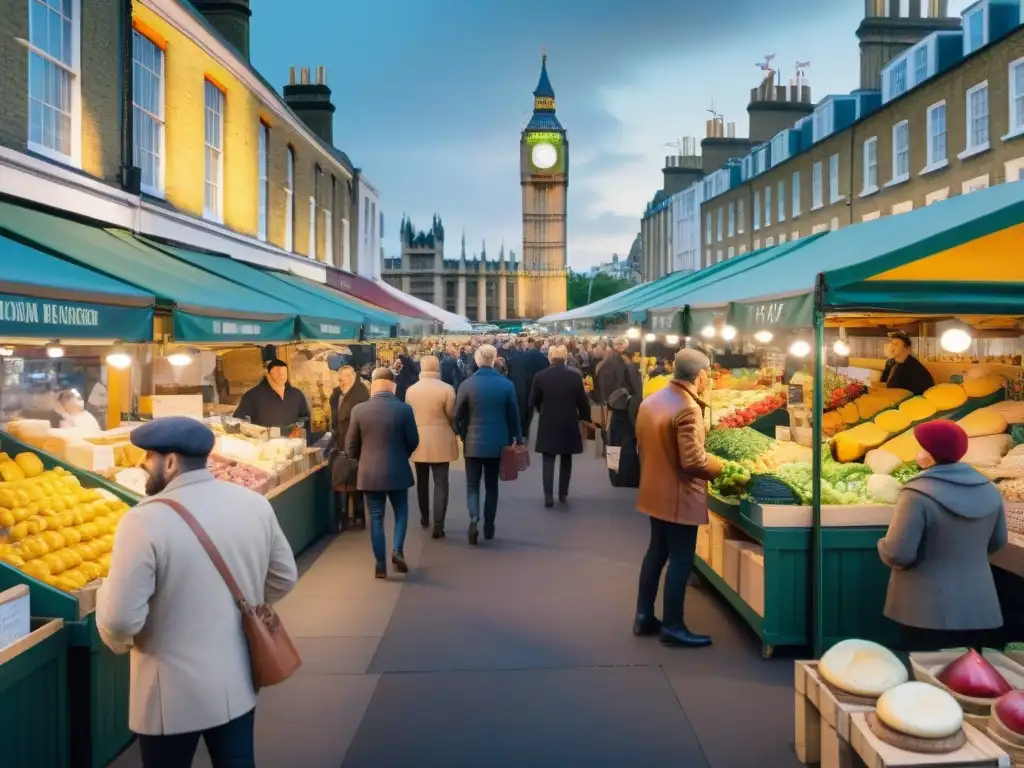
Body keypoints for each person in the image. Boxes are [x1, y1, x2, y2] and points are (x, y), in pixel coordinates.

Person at [96, 416, 297, 766]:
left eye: (148, 457)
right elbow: (283, 576)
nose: (143, 465)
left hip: (169, 693)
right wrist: (244, 604)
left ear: (170, 462)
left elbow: (119, 620)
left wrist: (117, 638)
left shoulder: (143, 520)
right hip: (238, 678)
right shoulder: (252, 504)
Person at [878, 419, 1008, 650]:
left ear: (932, 453)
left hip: (923, 608)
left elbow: (899, 553)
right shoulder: (990, 490)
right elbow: (998, 542)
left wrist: (882, 545)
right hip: (979, 606)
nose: (919, 453)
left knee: (926, 676)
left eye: (922, 447)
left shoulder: (917, 493)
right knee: (970, 679)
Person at [634, 349, 723, 648]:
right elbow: (693, 461)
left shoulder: (653, 400)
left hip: (653, 490)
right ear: (700, 376)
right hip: (679, 494)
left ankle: (644, 615)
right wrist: (720, 467)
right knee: (681, 559)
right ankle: (673, 625)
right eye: (707, 374)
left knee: (656, 553)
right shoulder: (687, 407)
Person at [346, 368, 420, 578]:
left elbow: (350, 446)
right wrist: (401, 454)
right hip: (398, 470)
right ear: (393, 387)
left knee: (376, 518)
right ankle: (397, 550)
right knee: (401, 512)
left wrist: (364, 460)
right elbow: (414, 440)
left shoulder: (359, 410)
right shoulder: (404, 409)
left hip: (370, 473)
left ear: (373, 387)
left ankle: (380, 564)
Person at [454, 344, 522, 545]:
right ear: (494, 360)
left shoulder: (467, 385)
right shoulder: (506, 385)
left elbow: (457, 414)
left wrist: (460, 432)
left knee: (473, 485)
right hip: (497, 442)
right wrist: (517, 437)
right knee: (492, 486)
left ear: (476, 360)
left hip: (472, 444)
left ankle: (474, 518)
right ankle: (489, 524)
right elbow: (513, 416)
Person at [529, 345, 592, 508]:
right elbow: (582, 401)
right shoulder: (575, 377)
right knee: (566, 459)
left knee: (548, 459)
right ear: (565, 357)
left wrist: (540, 409)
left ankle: (548, 495)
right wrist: (586, 418)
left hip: (548, 421)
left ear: (550, 357)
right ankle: (563, 493)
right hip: (568, 421)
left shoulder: (540, 376)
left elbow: (533, 400)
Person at [405, 355, 459, 538]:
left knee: (422, 481)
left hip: (418, 439)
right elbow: (452, 415)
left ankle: (424, 517)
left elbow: (408, 415)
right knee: (441, 482)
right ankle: (439, 524)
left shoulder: (411, 390)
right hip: (441, 438)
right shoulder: (447, 389)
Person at [329, 365, 369, 529]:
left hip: (356, 443)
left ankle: (358, 515)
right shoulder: (337, 393)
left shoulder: (360, 394)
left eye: (344, 377)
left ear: (352, 376)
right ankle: (345, 515)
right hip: (341, 440)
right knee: (343, 477)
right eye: (339, 377)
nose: (341, 380)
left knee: (354, 479)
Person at [233, 359, 311, 431]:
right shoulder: (252, 395)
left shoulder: (296, 394)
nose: (281, 375)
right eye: (277, 372)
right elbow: (237, 420)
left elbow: (305, 418)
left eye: (284, 373)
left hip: (293, 442)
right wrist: (253, 431)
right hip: (264, 443)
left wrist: (297, 427)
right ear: (268, 374)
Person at [507, 338, 549, 443]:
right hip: (534, 387)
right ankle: (525, 433)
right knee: (529, 410)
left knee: (522, 409)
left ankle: (522, 434)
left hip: (521, 387)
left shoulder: (517, 358)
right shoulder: (542, 358)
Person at [880, 331, 934, 396]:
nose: (891, 348)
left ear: (907, 349)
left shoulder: (915, 369)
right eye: (890, 344)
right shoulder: (890, 363)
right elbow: (883, 383)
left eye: (896, 345)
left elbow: (917, 394)